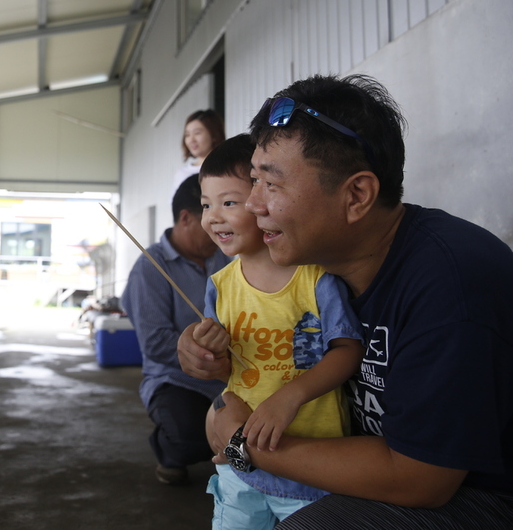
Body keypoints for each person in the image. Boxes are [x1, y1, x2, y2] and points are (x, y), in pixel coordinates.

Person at [178, 74, 513, 528]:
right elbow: (230, 405)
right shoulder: (320, 272)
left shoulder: (449, 283)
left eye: (271, 185)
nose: (253, 205)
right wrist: (212, 362)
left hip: (480, 495)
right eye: (253, 180)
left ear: (356, 196)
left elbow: (421, 480)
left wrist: (245, 444)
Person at [193, 134, 364, 528]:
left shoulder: (316, 278)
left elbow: (347, 350)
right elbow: (225, 371)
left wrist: (290, 398)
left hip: (310, 468)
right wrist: (208, 352)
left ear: (261, 200)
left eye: (229, 202)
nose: (213, 216)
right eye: (205, 205)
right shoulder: (220, 285)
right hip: (241, 469)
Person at [120, 174, 231, 485]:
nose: (218, 226)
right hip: (176, 379)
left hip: (231, 374)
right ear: (186, 218)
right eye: (208, 212)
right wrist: (210, 351)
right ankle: (168, 449)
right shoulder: (151, 266)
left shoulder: (225, 257)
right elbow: (155, 343)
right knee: (190, 436)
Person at [173, 109, 226, 195]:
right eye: (187, 135)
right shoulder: (182, 174)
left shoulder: (226, 168)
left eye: (197, 133)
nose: (191, 140)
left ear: (214, 135)